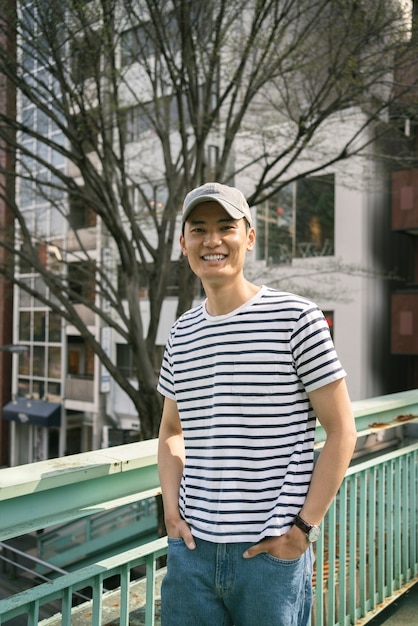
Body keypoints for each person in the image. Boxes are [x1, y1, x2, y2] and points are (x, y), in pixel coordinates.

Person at [157, 182, 357, 626]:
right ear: (183, 242)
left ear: (249, 237)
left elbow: (342, 430)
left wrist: (302, 531)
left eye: (226, 227)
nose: (212, 240)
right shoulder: (181, 334)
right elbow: (172, 430)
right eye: (199, 229)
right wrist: (172, 512)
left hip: (270, 555)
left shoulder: (297, 318)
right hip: (191, 554)